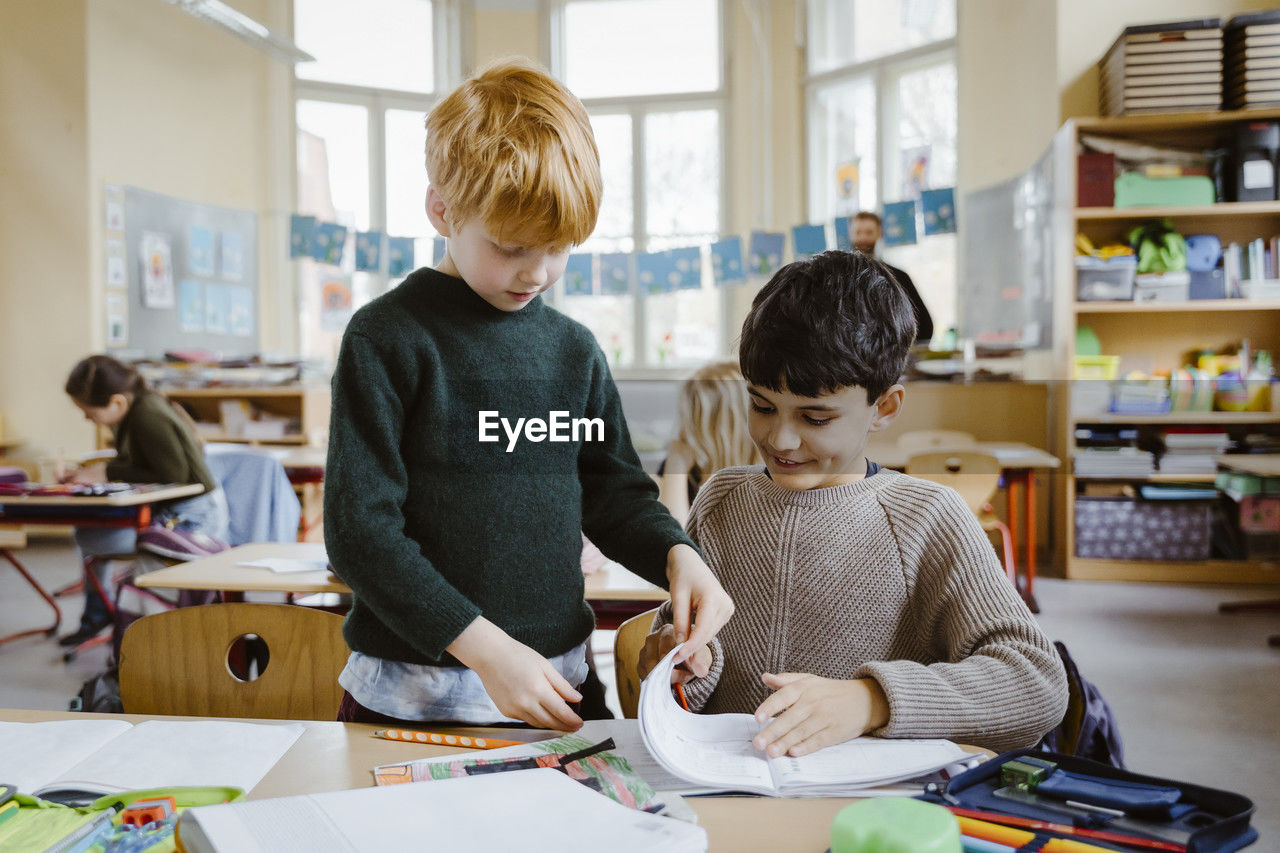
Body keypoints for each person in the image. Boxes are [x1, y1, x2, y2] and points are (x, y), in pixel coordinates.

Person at [324, 58, 733, 732]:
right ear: (441, 209)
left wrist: (677, 555)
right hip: (409, 698)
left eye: (559, 247)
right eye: (513, 246)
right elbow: (359, 534)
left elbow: (615, 493)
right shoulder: (387, 338)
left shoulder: (573, 350)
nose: (538, 271)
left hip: (558, 687)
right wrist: (483, 646)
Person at [639, 251, 1066, 755]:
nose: (781, 439)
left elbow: (1037, 683)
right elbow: (689, 655)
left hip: (865, 808)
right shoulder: (720, 501)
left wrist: (871, 701)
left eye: (815, 418)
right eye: (761, 406)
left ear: (884, 407)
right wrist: (680, 665)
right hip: (730, 788)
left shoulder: (928, 518)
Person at [59, 354, 229, 645]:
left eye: (89, 411)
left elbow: (175, 474)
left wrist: (107, 471)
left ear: (117, 403)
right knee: (89, 532)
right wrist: (99, 471)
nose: (87, 418)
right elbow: (142, 464)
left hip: (196, 515)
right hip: (180, 510)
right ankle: (100, 613)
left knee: (90, 537)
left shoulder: (147, 416)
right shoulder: (135, 412)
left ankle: (106, 616)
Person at [657, 360, 761, 526]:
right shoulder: (688, 470)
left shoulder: (768, 482)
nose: (682, 431)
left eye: (692, 420)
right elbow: (672, 543)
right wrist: (676, 467)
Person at [850, 211, 934, 344]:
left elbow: (925, 327)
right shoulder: (839, 279)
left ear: (880, 233)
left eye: (869, 232)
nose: (863, 238)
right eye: (858, 232)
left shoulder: (898, 277)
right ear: (851, 234)